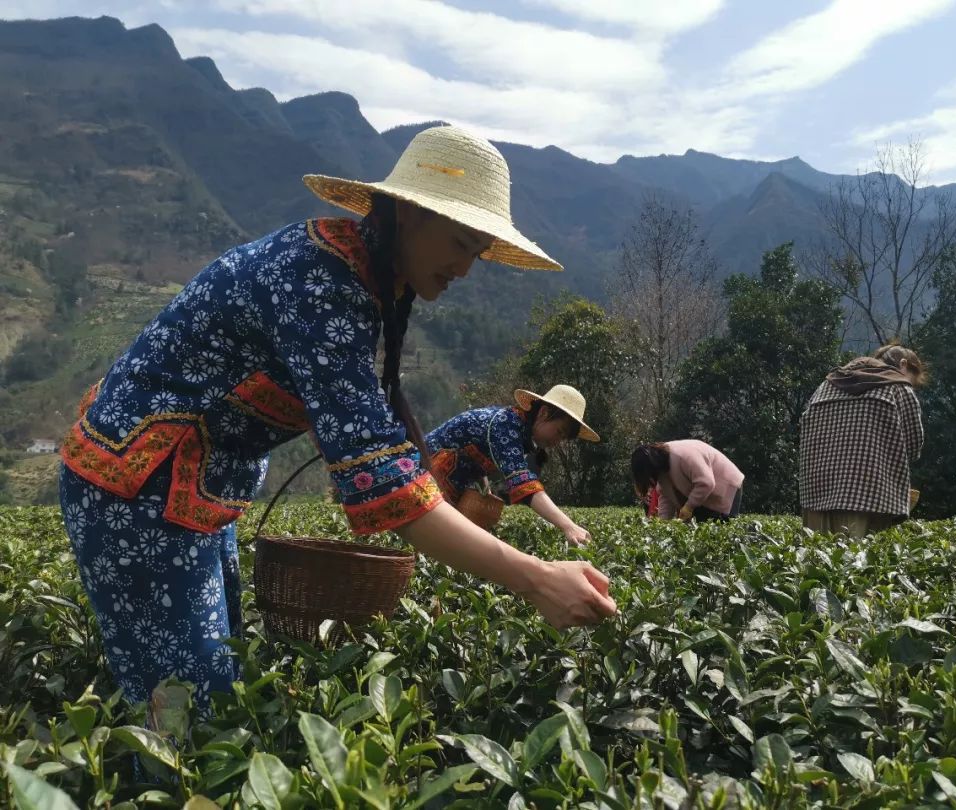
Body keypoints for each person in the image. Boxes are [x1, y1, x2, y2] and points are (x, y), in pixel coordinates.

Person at [57, 125, 617, 714]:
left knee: (216, 674)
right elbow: (381, 478)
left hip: (192, 487)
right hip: (138, 482)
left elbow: (379, 448)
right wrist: (534, 577)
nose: (465, 269)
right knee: (188, 708)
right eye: (459, 242)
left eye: (477, 252)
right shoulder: (319, 280)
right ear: (408, 214)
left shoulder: (362, 274)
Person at [426, 385, 598, 545]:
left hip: (444, 479)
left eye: (563, 438)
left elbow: (475, 457)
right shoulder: (506, 425)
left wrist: (484, 489)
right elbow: (522, 482)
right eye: (559, 432)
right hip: (421, 471)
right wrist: (568, 526)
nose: (557, 441)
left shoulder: (518, 429)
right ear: (544, 413)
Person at [799, 344, 926, 538]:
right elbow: (913, 446)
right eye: (912, 380)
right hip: (869, 497)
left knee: (815, 559)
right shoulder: (898, 388)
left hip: (815, 494)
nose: (911, 385)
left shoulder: (826, 386)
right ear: (903, 365)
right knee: (856, 562)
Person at [629, 440, 745, 522]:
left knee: (721, 530)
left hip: (726, 486)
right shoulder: (661, 472)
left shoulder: (682, 456)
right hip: (703, 498)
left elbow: (706, 483)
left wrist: (689, 506)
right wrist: (663, 524)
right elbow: (666, 496)